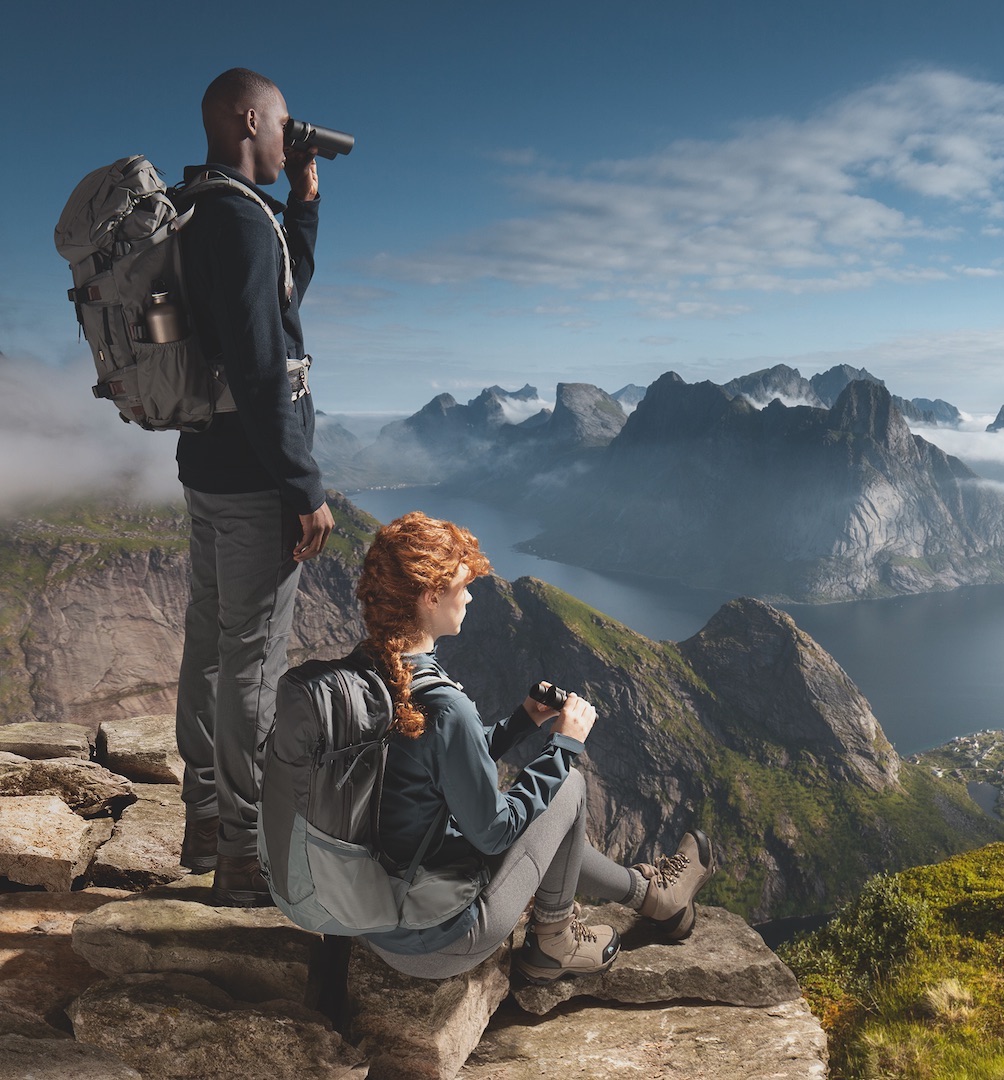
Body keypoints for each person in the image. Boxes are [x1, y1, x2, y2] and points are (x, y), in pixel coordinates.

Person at [353, 512, 715, 980]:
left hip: (371, 910)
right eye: (463, 585)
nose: (469, 594)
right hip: (435, 939)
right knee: (569, 787)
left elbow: (430, 768)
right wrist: (564, 746)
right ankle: (554, 942)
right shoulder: (444, 705)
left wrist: (520, 723)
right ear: (430, 596)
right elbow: (496, 833)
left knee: (542, 818)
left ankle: (657, 900)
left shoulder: (362, 671)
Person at [174, 67, 335, 906]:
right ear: (248, 118)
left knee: (210, 638)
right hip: (251, 482)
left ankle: (205, 817)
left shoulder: (203, 208)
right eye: (279, 127)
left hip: (208, 469)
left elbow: (275, 307)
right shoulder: (236, 221)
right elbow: (263, 364)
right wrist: (303, 484)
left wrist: (302, 204)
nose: (286, 139)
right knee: (254, 660)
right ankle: (243, 850)